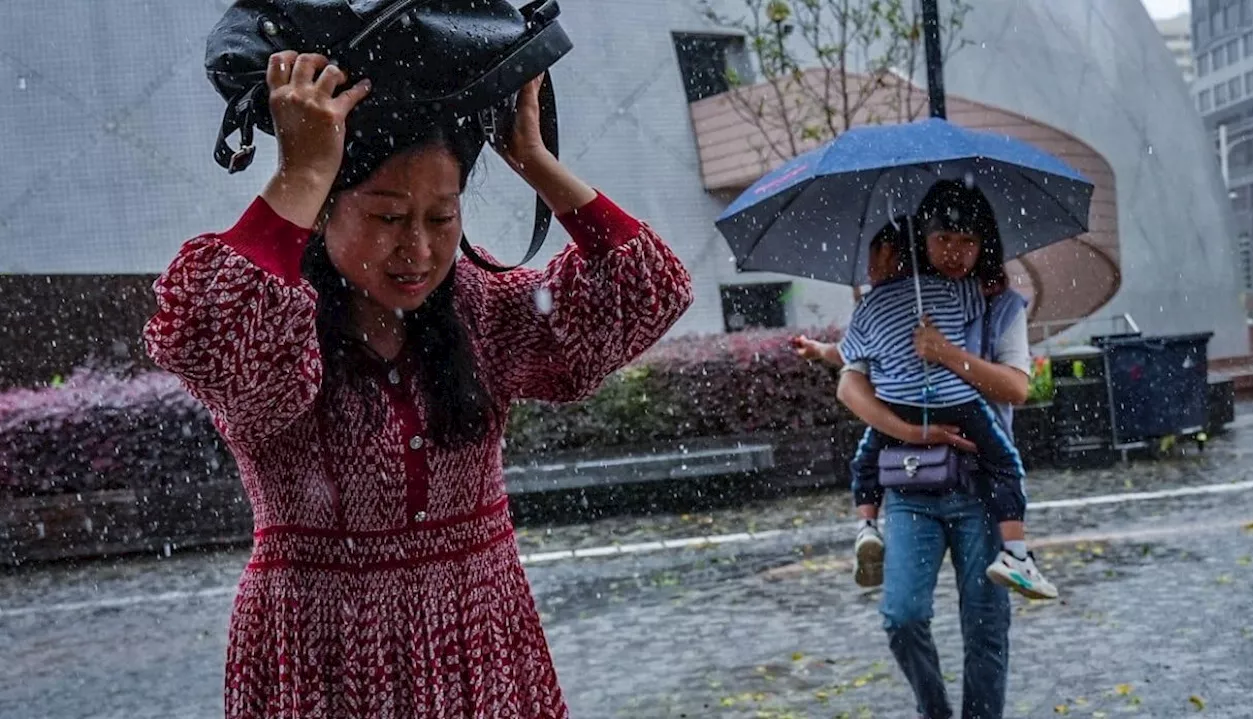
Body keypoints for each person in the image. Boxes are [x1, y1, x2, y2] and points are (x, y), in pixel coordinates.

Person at [143, 52, 692, 717]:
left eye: (442, 218)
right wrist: (303, 168)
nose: (420, 250)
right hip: (323, 653)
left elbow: (650, 287)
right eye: (388, 217)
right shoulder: (277, 320)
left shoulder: (486, 311)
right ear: (323, 212)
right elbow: (203, 334)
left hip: (479, 642)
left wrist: (535, 162)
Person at [794, 180, 1036, 718]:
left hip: (980, 491)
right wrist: (914, 433)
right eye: (942, 237)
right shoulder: (895, 303)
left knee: (985, 628)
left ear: (985, 244)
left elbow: (1017, 388)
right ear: (920, 240)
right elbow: (849, 386)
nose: (955, 252)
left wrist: (948, 354)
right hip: (911, 485)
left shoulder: (998, 306)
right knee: (901, 617)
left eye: (968, 240)